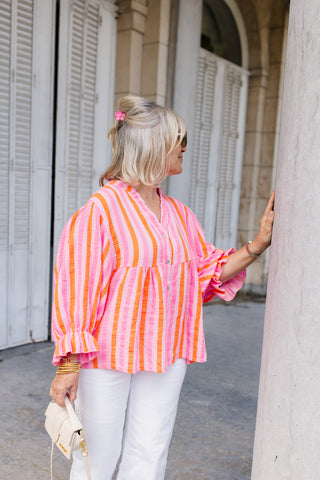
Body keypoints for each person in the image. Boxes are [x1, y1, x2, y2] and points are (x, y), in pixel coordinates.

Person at [49, 95, 274, 480]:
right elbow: (76, 290)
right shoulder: (100, 211)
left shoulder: (180, 215)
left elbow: (208, 273)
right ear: (154, 147)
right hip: (106, 356)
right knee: (97, 460)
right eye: (177, 140)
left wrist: (258, 244)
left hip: (167, 354)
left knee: (150, 453)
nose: (184, 147)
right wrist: (68, 366)